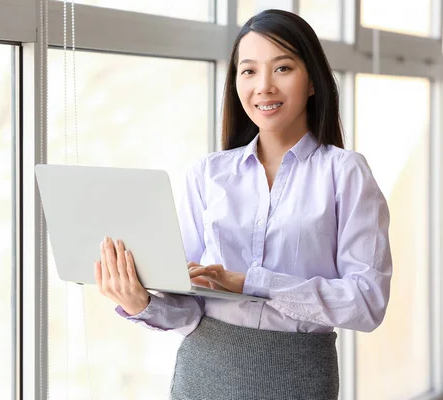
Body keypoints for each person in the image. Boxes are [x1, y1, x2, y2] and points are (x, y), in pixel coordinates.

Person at [93, 9, 392, 400]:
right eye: (248, 71)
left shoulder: (345, 173)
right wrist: (142, 303)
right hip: (203, 372)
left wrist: (252, 282)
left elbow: (367, 303)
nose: (263, 86)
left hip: (298, 378)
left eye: (282, 68)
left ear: (313, 81)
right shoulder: (208, 174)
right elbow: (189, 308)